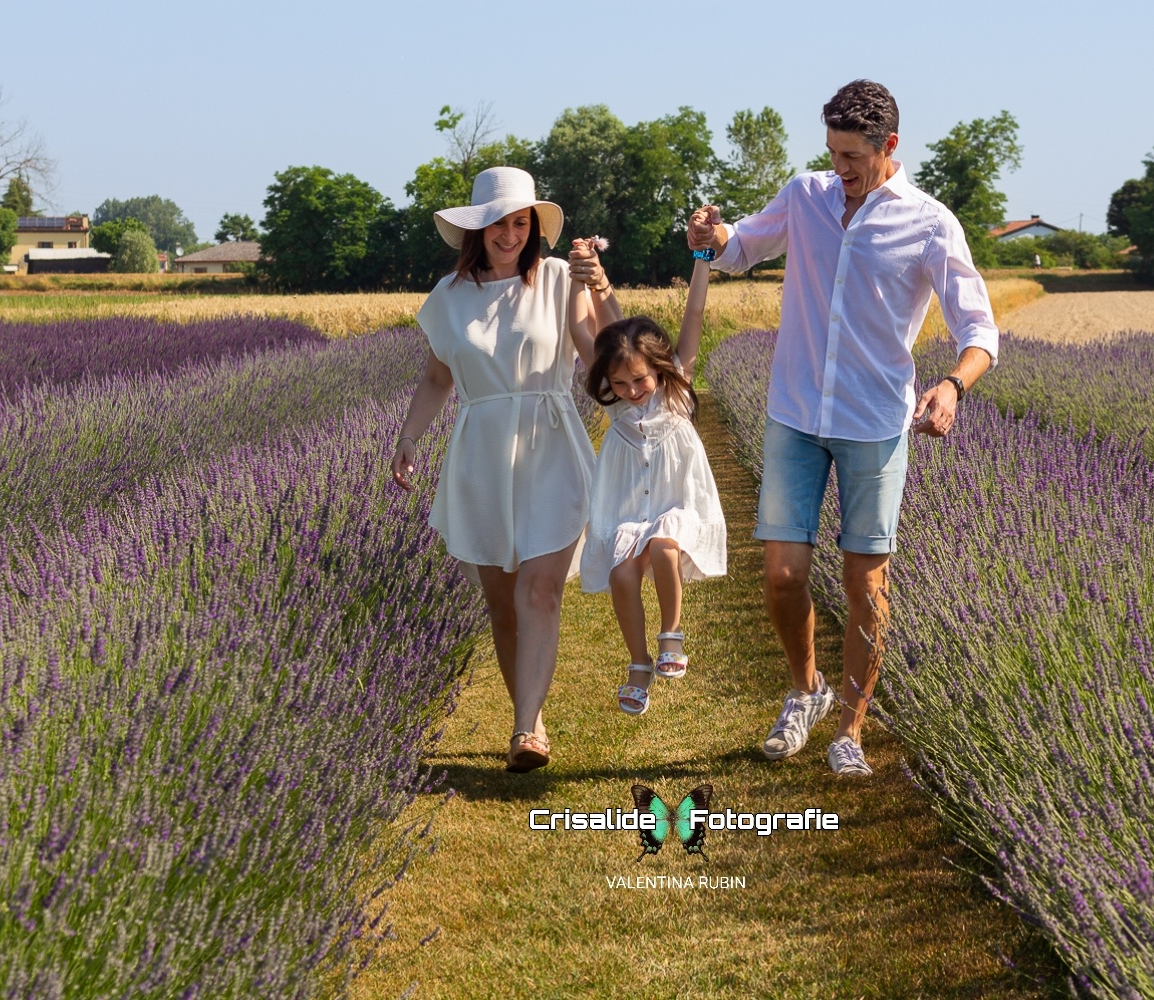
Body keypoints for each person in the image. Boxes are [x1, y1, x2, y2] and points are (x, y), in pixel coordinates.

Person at [687, 80, 999, 776]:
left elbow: (980, 330)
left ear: (890, 146)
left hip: (874, 424)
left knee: (867, 584)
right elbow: (741, 250)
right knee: (781, 574)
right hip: (795, 413)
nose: (841, 168)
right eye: (832, 152)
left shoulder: (931, 223)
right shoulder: (805, 197)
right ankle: (807, 692)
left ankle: (851, 728)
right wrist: (712, 239)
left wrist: (951, 385)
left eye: (853, 155)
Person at [392, 166, 619, 773]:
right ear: (476, 228)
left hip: (551, 445)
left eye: (521, 222)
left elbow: (602, 353)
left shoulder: (555, 280)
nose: (511, 233)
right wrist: (409, 438)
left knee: (538, 591)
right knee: (501, 604)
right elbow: (439, 376)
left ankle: (524, 731)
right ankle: (532, 712)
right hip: (480, 455)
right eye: (499, 222)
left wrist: (600, 289)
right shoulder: (449, 296)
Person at [568, 223, 728, 716]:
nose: (633, 391)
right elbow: (583, 329)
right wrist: (581, 280)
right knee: (620, 574)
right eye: (620, 383)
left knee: (664, 545)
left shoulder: (674, 385)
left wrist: (703, 256)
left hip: (675, 498)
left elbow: (695, 311)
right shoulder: (616, 399)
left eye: (639, 381)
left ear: (657, 369)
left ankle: (671, 636)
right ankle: (638, 663)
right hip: (626, 499)